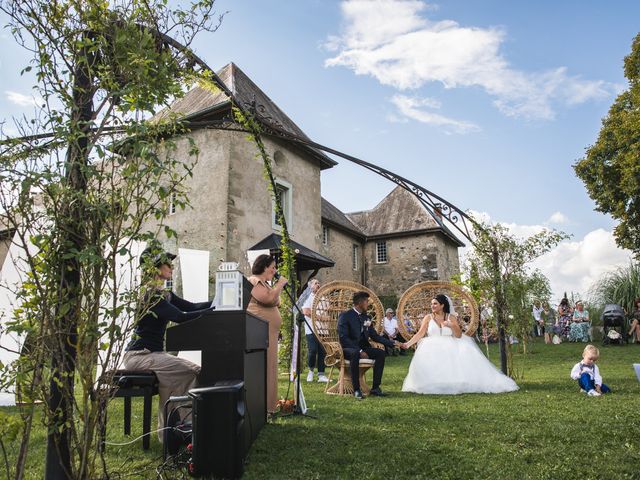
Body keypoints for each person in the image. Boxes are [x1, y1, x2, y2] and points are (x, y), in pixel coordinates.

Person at [124, 246, 213, 438]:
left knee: (196, 371)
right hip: (140, 355)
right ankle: (174, 429)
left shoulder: (165, 294)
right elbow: (180, 316)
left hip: (154, 354)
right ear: (155, 267)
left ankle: (181, 425)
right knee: (187, 371)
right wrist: (210, 312)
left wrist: (219, 302)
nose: (171, 266)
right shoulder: (151, 295)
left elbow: (191, 306)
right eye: (167, 263)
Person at [401, 294, 518, 394]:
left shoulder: (451, 317)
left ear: (442, 305)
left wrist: (451, 325)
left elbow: (458, 335)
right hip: (431, 346)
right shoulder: (427, 318)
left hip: (450, 344)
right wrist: (408, 344)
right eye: (432, 304)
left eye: (435, 303)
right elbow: (420, 334)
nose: (432, 306)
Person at [337, 291, 400, 399]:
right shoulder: (345, 316)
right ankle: (356, 390)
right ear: (359, 302)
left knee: (380, 353)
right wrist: (360, 351)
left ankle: (375, 388)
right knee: (355, 353)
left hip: (364, 347)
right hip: (348, 348)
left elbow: (375, 336)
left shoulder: (367, 318)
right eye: (366, 301)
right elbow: (344, 338)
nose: (368, 304)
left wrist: (393, 343)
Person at [246, 254, 288, 414]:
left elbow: (276, 300)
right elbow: (269, 299)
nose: (275, 270)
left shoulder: (265, 284)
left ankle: (269, 406)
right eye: (273, 266)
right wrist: (280, 284)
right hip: (260, 333)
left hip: (270, 333)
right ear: (264, 266)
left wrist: (276, 288)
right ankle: (262, 407)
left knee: (271, 368)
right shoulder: (254, 281)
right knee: (265, 369)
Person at [301, 278, 328, 383]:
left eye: (318, 282)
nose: (318, 284)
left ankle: (321, 375)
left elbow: (328, 312)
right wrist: (321, 318)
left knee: (322, 352)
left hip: (323, 329)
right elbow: (306, 312)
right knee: (313, 350)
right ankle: (311, 371)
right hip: (311, 328)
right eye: (315, 283)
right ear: (310, 286)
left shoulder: (324, 298)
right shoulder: (308, 297)